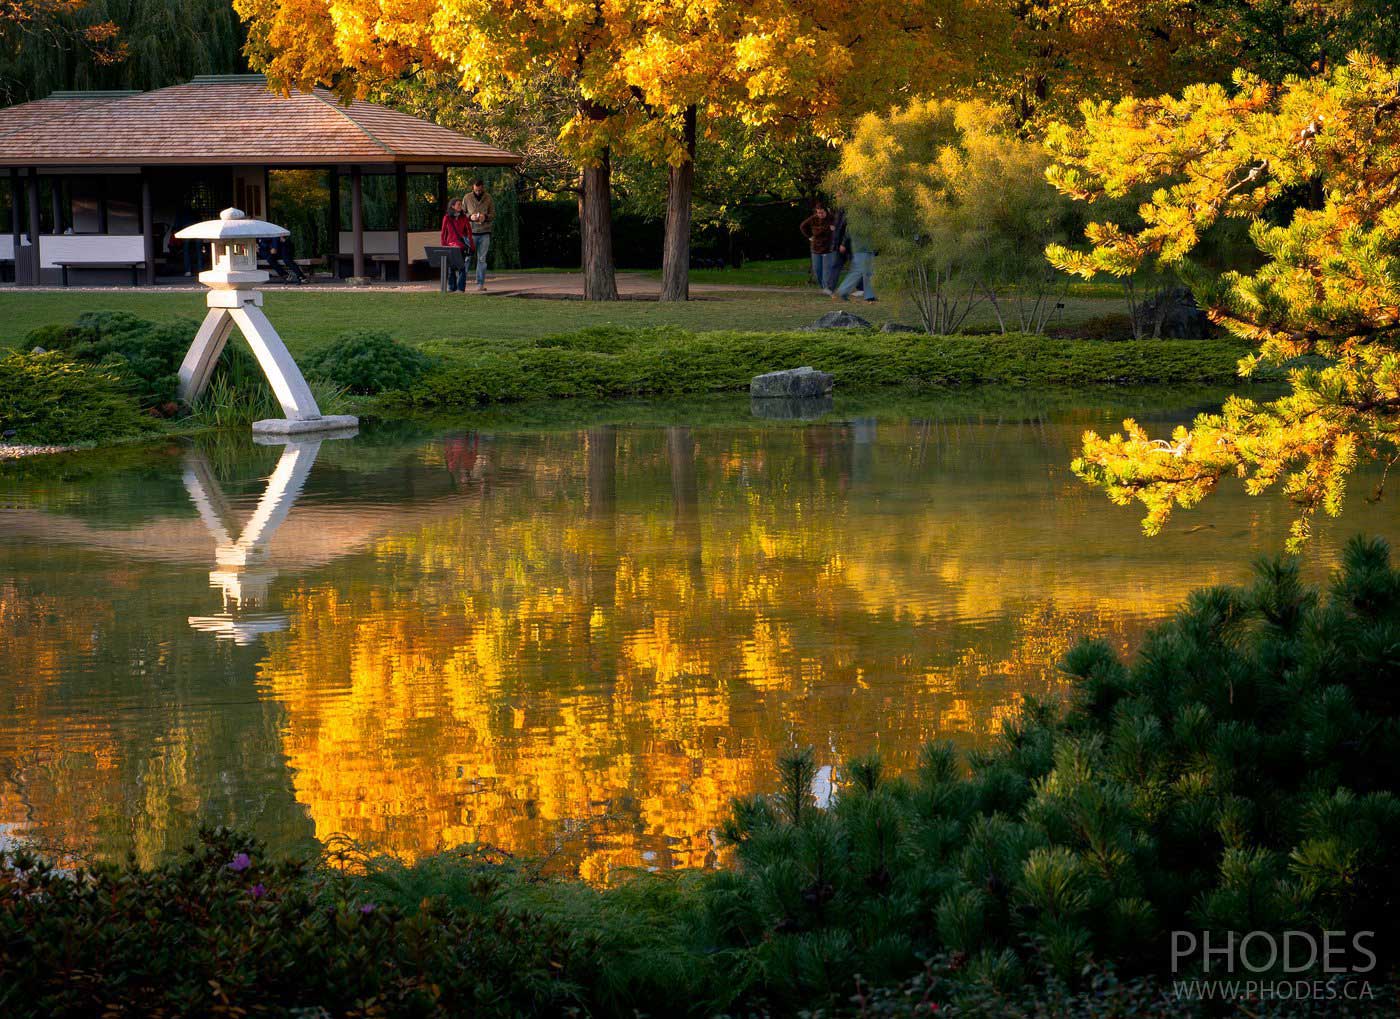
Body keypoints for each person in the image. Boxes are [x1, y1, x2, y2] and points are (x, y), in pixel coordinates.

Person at [799, 200, 837, 294]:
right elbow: (802, 226)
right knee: (817, 270)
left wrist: (834, 229)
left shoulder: (832, 218)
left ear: (826, 211)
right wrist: (810, 237)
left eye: (822, 212)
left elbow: (840, 228)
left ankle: (827, 288)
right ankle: (823, 287)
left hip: (829, 248)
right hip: (816, 248)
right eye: (818, 212)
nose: (820, 214)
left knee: (827, 270)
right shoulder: (813, 218)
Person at [463, 179, 495, 291]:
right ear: (473, 188)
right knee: (467, 258)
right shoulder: (467, 198)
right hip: (470, 233)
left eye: (480, 190)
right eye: (476, 190)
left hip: (485, 232)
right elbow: (462, 213)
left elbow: (493, 214)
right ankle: (462, 282)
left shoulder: (488, 198)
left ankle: (480, 284)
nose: (478, 192)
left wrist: (485, 217)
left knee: (482, 259)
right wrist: (469, 217)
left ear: (483, 187)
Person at [440, 197, 474, 292]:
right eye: (458, 204)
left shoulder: (463, 217)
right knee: (451, 268)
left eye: (461, 204)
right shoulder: (447, 217)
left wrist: (471, 245)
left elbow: (469, 232)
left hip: (461, 246)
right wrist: (444, 245)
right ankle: (451, 287)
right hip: (450, 246)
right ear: (452, 206)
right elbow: (443, 233)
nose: (460, 206)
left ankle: (461, 288)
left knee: (461, 267)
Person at [833, 229, 877, 303]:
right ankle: (842, 292)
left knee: (869, 272)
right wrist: (843, 244)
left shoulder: (873, 219)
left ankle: (870, 296)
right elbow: (848, 231)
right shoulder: (856, 220)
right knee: (857, 271)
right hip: (860, 248)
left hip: (869, 249)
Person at [826, 207, 849, 292]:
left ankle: (861, 288)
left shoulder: (849, 211)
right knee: (836, 265)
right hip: (840, 244)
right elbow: (838, 228)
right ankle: (830, 287)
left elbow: (848, 230)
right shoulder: (839, 210)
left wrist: (843, 243)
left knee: (856, 267)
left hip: (847, 244)